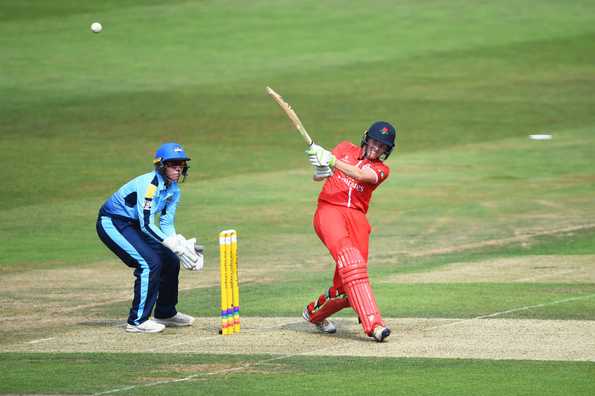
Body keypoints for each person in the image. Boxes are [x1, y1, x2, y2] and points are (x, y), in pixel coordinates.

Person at [302, 121, 396, 342]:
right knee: (351, 262)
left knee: (347, 288)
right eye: (374, 141)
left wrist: (331, 160)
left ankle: (314, 314)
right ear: (366, 138)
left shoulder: (382, 170)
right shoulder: (344, 148)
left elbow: (361, 176)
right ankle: (374, 325)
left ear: (387, 151)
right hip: (330, 210)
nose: (377, 148)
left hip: (357, 219)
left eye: (382, 146)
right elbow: (319, 177)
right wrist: (320, 167)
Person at [96, 142, 203, 333]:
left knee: (170, 260)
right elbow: (146, 224)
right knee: (149, 263)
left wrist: (180, 245)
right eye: (173, 164)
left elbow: (166, 224)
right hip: (114, 222)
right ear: (162, 165)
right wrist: (173, 245)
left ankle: (165, 312)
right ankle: (137, 321)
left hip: (135, 225)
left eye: (181, 164)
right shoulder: (150, 185)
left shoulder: (173, 190)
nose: (179, 168)